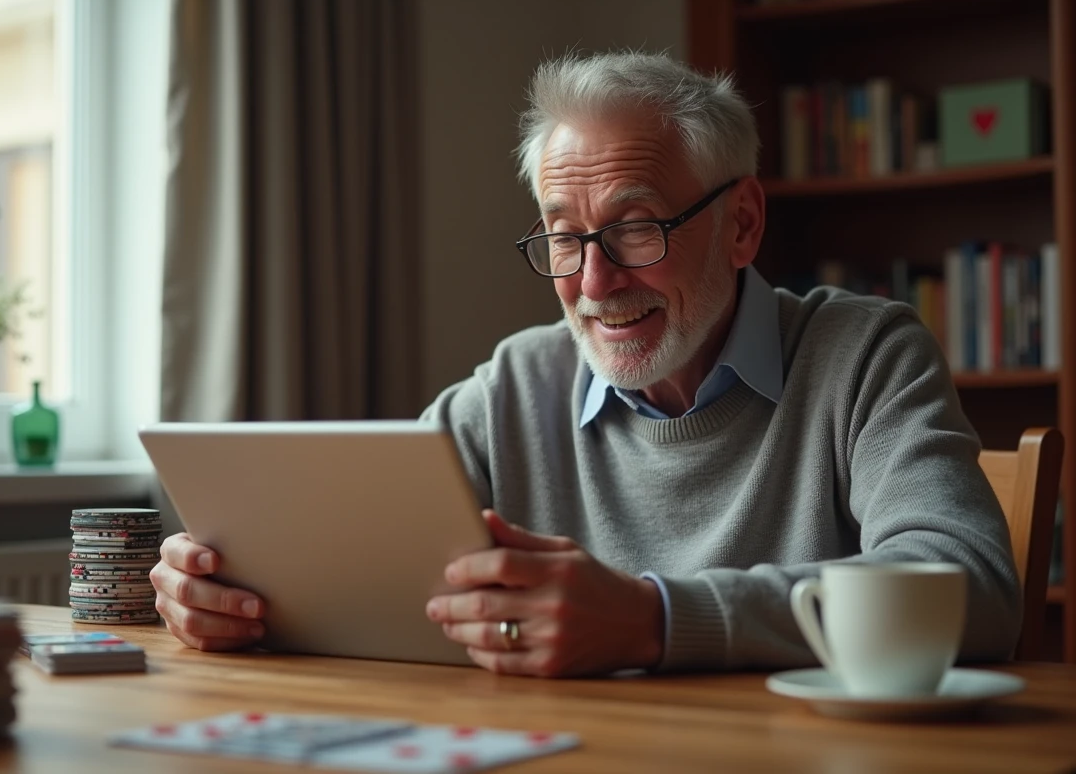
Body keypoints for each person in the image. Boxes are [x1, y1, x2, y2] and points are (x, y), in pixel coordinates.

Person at [150, 52, 1022, 677]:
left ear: (743, 224)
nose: (595, 282)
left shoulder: (866, 355)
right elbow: (355, 558)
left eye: (637, 228)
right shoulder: (514, 385)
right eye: (565, 238)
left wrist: (655, 620)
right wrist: (232, 592)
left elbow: (967, 589)